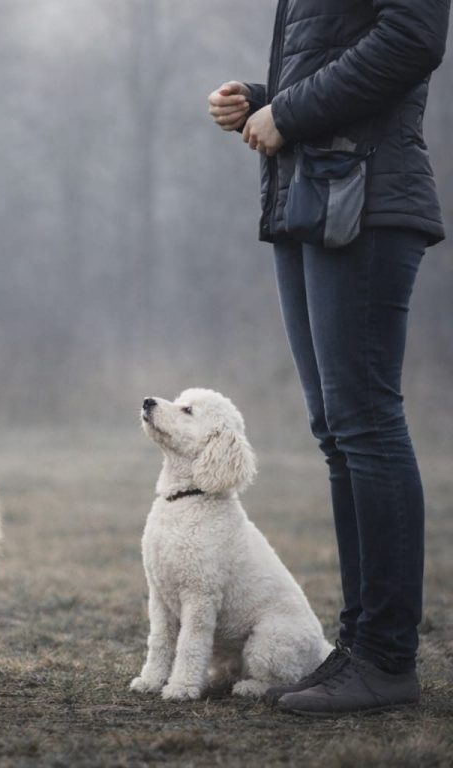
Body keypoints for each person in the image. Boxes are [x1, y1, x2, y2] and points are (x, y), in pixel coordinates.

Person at [208, 0, 450, 715]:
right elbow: (335, 48)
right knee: (339, 433)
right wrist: (264, 100)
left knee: (367, 426)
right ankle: (359, 645)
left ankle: (387, 658)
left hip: (366, 193)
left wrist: (290, 114)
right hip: (312, 192)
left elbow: (412, 37)